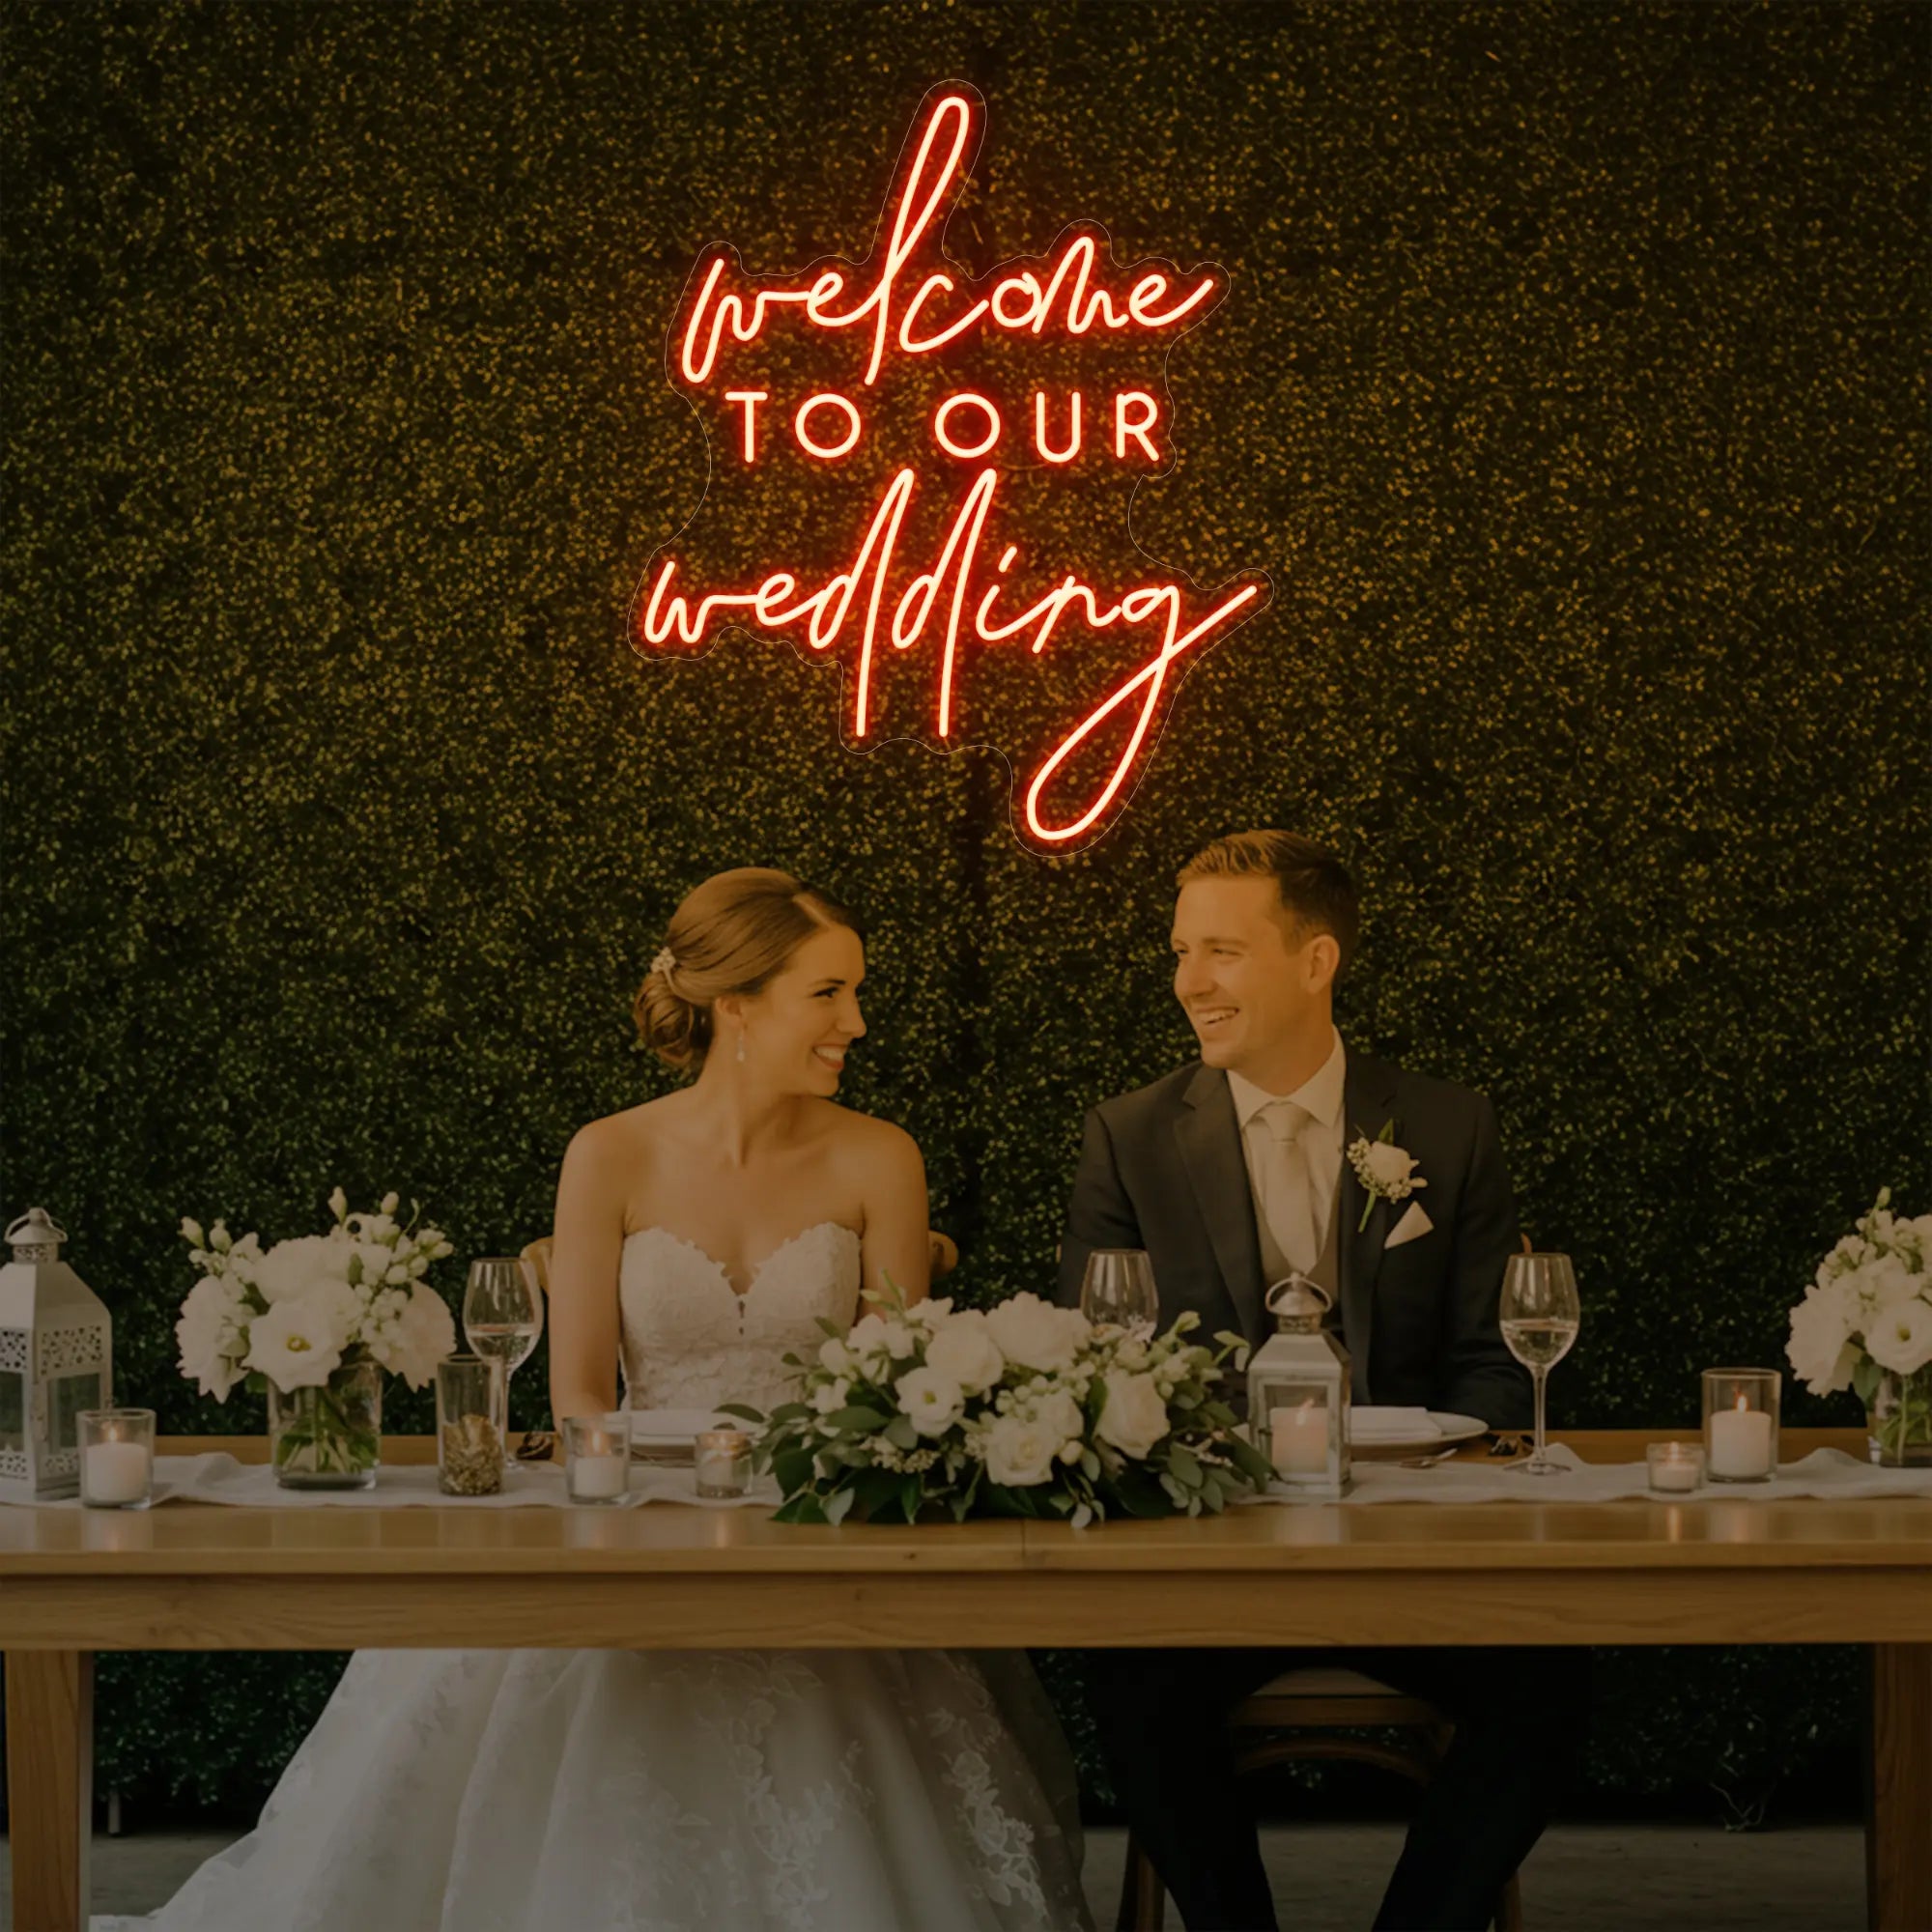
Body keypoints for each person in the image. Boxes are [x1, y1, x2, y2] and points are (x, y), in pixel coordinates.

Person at [106, 867, 1090, 1932]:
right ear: (736, 1005)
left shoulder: (881, 1155)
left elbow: (892, 1388)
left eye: (854, 992)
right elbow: (578, 1388)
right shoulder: (609, 1152)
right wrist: (637, 1509)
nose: (855, 1020)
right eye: (828, 992)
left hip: (814, 1525)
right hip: (625, 1507)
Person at [1058, 830, 1584, 1932]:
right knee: (1131, 1683)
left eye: (1220, 951)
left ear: (1315, 960)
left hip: (1415, 1547)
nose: (1187, 981)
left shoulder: (1445, 1122)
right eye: (1179, 951)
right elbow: (1101, 1364)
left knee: (1551, 1683)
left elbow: (1494, 1355)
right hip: (1212, 1560)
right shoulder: (1130, 1136)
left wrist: (1419, 1482)